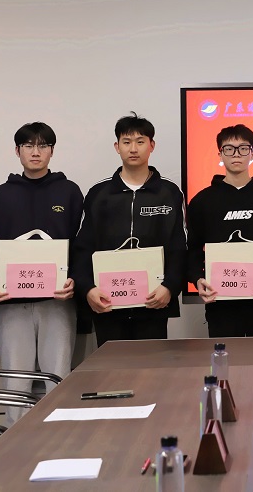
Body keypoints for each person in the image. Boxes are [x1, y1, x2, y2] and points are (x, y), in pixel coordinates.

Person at [0, 122, 83, 424]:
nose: (35, 152)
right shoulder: (2, 194)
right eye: (28, 146)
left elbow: (82, 244)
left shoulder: (69, 192)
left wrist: (75, 280)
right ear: (17, 151)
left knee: (58, 379)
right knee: (15, 383)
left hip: (57, 301)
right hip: (11, 303)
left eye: (42, 145)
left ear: (52, 151)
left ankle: (59, 439)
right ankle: (16, 444)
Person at [72, 113, 187, 346]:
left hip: (153, 303)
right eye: (126, 142)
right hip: (108, 304)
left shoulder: (169, 193)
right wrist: (88, 289)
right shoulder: (99, 194)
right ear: (117, 147)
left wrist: (169, 287)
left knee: (151, 365)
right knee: (112, 367)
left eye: (140, 141)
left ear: (152, 145)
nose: (133, 148)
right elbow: (83, 248)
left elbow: (179, 246)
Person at [188, 124, 253, 337]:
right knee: (225, 356)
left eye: (243, 148)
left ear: (252, 153)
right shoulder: (202, 201)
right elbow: (192, 249)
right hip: (221, 302)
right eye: (229, 148)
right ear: (220, 154)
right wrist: (197, 279)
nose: (236, 154)